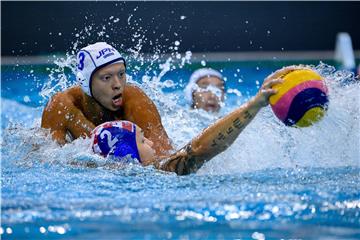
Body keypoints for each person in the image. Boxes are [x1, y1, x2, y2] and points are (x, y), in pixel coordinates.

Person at [91, 66, 298, 175]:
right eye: (143, 141)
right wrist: (254, 105)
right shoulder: (160, 172)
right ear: (127, 152)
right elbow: (198, 149)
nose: (153, 142)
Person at [41, 42, 173, 155]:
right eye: (106, 78)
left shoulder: (135, 100)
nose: (118, 85)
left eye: (121, 74)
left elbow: (162, 157)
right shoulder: (62, 106)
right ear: (85, 83)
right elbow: (46, 161)